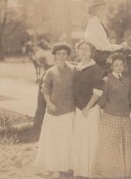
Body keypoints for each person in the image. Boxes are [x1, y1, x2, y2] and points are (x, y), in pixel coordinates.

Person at [35, 42, 75, 179]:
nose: (62, 56)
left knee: (67, 139)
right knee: (54, 140)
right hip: (54, 111)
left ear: (67, 55)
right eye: (59, 54)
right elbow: (45, 89)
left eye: (64, 54)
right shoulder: (50, 72)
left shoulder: (73, 70)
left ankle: (67, 166)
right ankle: (55, 169)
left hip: (69, 110)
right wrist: (49, 103)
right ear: (55, 55)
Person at [93, 53, 131, 178]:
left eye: (121, 65)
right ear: (112, 67)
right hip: (110, 115)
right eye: (116, 65)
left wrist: (126, 105)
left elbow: (130, 97)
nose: (119, 67)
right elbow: (102, 98)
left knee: (124, 143)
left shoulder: (127, 80)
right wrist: (104, 109)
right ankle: (109, 172)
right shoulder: (107, 80)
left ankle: (123, 171)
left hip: (125, 115)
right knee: (111, 144)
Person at [72, 40, 104, 178]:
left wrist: (87, 107)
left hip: (91, 109)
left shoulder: (96, 69)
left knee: (92, 138)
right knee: (80, 138)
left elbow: (97, 92)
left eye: (86, 49)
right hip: (79, 109)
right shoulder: (77, 68)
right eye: (81, 49)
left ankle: (92, 171)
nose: (83, 52)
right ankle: (81, 170)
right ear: (78, 51)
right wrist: (79, 108)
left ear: (91, 52)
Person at [85, 0, 128, 73]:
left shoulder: (100, 22)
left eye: (104, 9)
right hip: (99, 56)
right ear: (94, 11)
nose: (103, 12)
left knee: (128, 55)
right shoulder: (94, 22)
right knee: (125, 62)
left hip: (103, 54)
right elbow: (100, 46)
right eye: (100, 10)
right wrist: (120, 47)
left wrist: (120, 46)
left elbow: (106, 45)